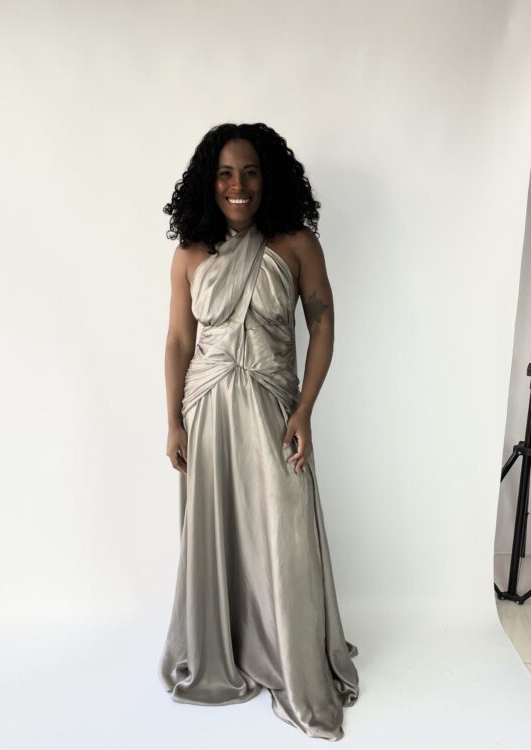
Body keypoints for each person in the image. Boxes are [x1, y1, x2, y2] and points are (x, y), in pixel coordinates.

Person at [158, 122, 360, 741]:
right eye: (224, 173)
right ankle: (227, 648)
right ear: (208, 181)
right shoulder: (190, 254)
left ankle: (291, 654)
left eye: (249, 172)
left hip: (275, 408)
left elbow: (322, 326)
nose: (237, 185)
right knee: (218, 530)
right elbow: (178, 340)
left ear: (268, 178)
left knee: (284, 530)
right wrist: (172, 421)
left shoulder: (296, 243)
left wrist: (305, 411)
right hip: (207, 411)